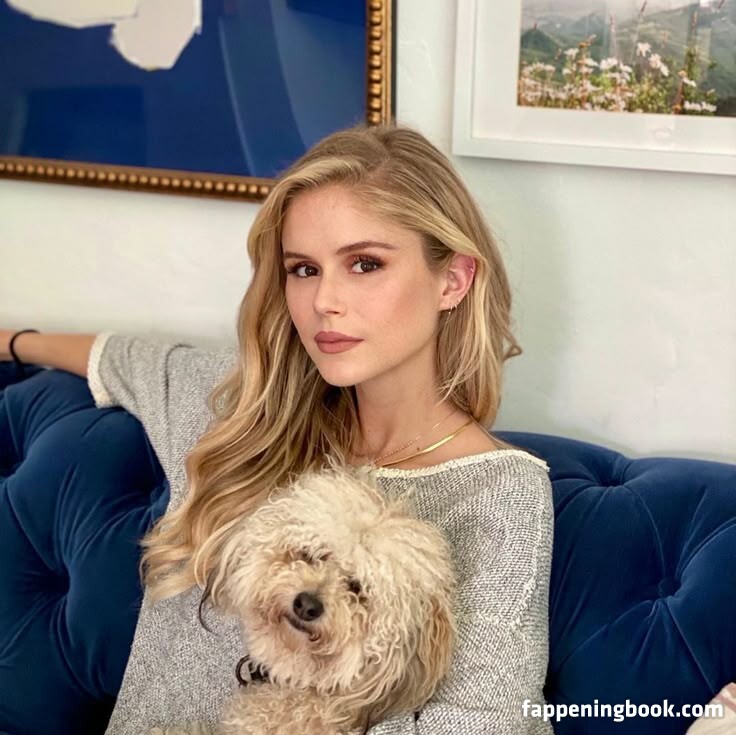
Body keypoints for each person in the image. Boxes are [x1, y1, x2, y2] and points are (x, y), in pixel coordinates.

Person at [0, 123, 554, 734]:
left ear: (453, 280)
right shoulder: (250, 417)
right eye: (304, 269)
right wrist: (15, 341)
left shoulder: (501, 495)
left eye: (365, 264)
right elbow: (128, 359)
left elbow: (481, 722)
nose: (324, 302)